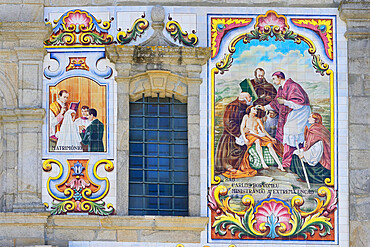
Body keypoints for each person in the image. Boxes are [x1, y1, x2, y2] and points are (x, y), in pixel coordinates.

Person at [265, 71, 311, 168]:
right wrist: (265, 108)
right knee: (288, 134)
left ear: (279, 77)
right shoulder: (281, 89)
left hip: (300, 112)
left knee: (292, 133)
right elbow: (276, 103)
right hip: (293, 112)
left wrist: (285, 102)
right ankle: (288, 162)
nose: (273, 81)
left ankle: (296, 160)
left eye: (274, 79)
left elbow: (300, 103)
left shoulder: (293, 86)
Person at [215, 91, 255, 176]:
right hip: (231, 135)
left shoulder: (245, 106)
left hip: (242, 134)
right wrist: (240, 131)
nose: (251, 99)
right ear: (244, 100)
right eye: (249, 97)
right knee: (232, 153)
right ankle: (228, 167)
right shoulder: (233, 107)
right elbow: (229, 122)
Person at [239, 105, 284, 172]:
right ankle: (263, 162)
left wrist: (271, 138)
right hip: (250, 135)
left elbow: (263, 130)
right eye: (254, 109)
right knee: (257, 141)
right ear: (250, 110)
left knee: (270, 144)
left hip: (258, 135)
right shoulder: (246, 117)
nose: (256, 110)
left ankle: (279, 164)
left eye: (256, 109)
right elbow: (242, 128)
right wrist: (245, 139)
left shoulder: (258, 119)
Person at [290, 113, 331, 184]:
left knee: (298, 155)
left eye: (310, 117)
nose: (308, 119)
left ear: (315, 120)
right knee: (296, 152)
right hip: (315, 152)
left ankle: (307, 178)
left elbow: (318, 148)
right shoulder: (315, 128)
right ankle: (302, 176)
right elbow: (311, 143)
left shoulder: (316, 130)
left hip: (320, 158)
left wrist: (305, 154)